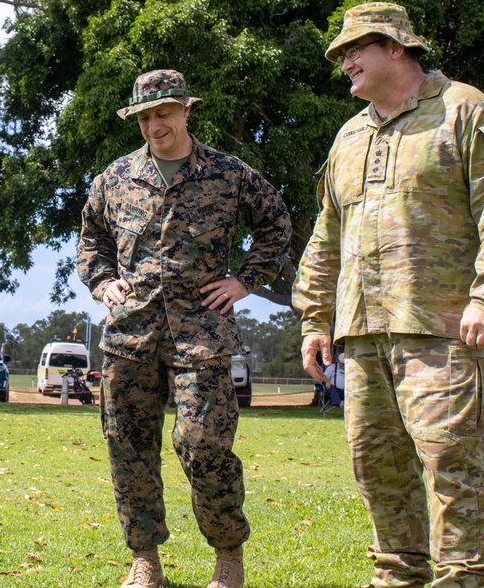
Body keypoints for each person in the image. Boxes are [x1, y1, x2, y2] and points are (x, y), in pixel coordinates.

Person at [293, 2, 484, 588]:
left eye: (356, 49)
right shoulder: (349, 137)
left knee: (451, 464)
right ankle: (397, 579)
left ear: (396, 48)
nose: (345, 61)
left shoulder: (465, 110)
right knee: (377, 470)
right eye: (342, 54)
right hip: (363, 332)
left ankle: (464, 581)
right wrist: (313, 317)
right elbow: (329, 231)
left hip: (441, 328)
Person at [77, 69, 292, 588]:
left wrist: (244, 280)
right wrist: (104, 283)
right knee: (127, 443)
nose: (156, 124)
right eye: (146, 116)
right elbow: (90, 243)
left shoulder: (228, 172)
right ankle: (145, 560)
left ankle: (228, 556)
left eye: (165, 113)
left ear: (186, 111)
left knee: (204, 443)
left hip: (202, 332)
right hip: (131, 335)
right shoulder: (115, 178)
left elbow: (277, 224)